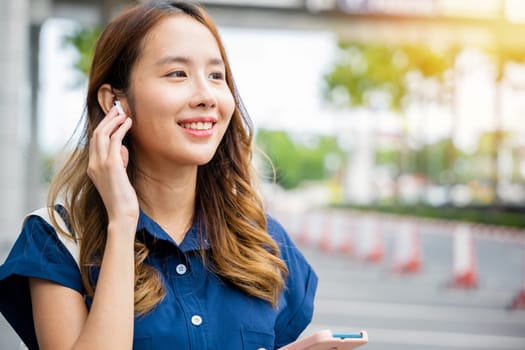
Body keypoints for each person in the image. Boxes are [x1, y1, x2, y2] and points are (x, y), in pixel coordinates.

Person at [0, 1, 318, 349]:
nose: (207, 96)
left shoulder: (264, 242)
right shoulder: (57, 240)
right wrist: (121, 221)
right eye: (177, 74)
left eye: (216, 76)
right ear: (114, 102)